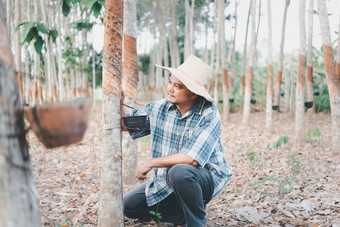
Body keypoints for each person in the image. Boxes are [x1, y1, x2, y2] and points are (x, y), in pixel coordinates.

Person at [122, 55, 232, 227]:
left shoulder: (208, 114)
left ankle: (195, 222)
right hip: (166, 180)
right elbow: (127, 125)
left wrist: (151, 162)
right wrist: (118, 102)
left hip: (204, 177)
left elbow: (192, 159)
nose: (170, 89)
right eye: (170, 82)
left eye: (178, 86)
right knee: (128, 206)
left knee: (180, 172)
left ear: (193, 93)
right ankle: (183, 213)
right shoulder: (159, 108)